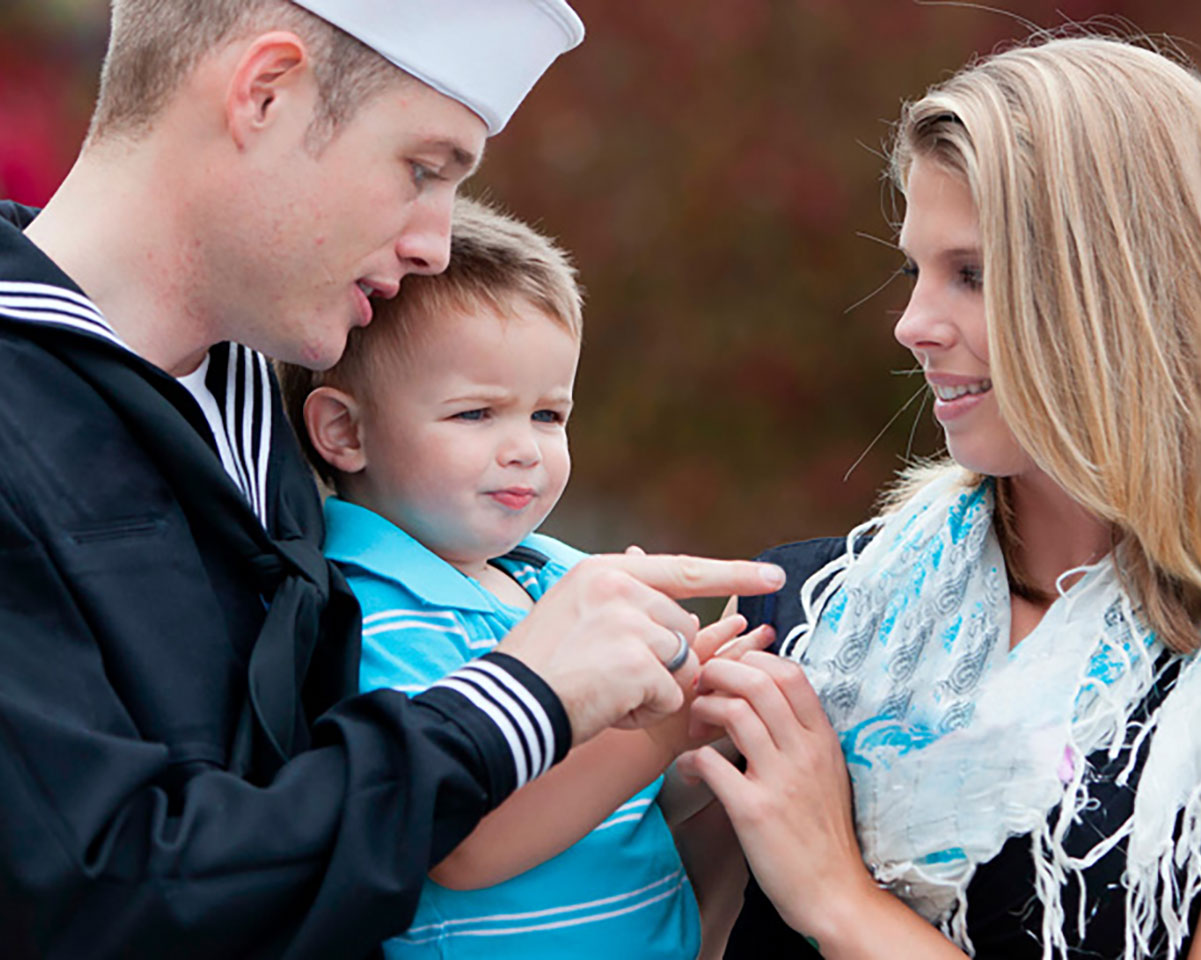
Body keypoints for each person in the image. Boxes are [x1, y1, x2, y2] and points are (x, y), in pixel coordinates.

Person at [0, 2, 786, 958]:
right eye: (422, 169)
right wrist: (518, 704)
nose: (435, 246)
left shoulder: (268, 400)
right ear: (266, 92)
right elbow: (107, 892)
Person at [677, 34, 1201, 960]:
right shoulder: (801, 614)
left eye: (973, 274)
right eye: (913, 268)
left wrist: (838, 896)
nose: (911, 323)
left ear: (1120, 291)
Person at [279, 196, 765, 958]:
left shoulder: (569, 583)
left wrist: (703, 733)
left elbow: (628, 807)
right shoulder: (364, 610)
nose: (524, 450)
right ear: (344, 431)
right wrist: (659, 732)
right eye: (476, 415)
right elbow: (462, 846)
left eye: (547, 415)